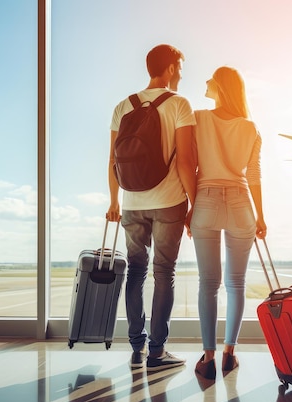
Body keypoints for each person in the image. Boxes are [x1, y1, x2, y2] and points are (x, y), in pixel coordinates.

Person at [106, 44, 197, 371]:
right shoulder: (179, 105)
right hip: (169, 202)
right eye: (181, 68)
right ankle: (157, 352)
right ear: (171, 67)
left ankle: (136, 346)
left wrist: (115, 201)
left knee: (136, 271)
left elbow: (112, 162)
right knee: (163, 273)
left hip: (131, 203)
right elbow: (186, 162)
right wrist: (194, 205)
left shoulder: (122, 106)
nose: (182, 75)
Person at [188, 66, 267, 380]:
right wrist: (260, 216)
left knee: (208, 284)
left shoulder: (198, 118)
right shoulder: (251, 127)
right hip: (240, 203)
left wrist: (191, 207)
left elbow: (189, 165)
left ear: (219, 85)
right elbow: (255, 176)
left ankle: (207, 357)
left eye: (210, 78)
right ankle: (229, 355)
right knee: (236, 284)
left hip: (205, 200)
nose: (205, 81)